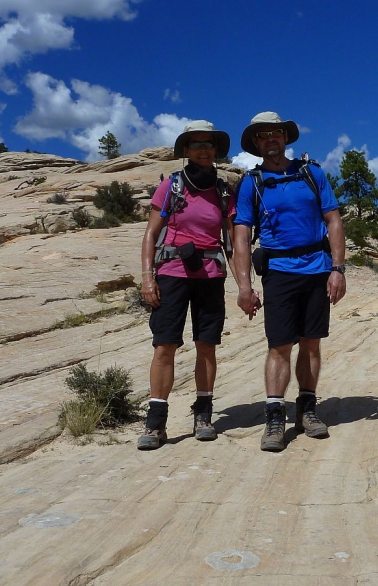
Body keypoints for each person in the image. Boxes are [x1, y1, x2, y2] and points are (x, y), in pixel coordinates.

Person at [231, 111, 346, 452]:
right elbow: (241, 236)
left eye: (276, 133)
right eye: (263, 135)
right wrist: (243, 286)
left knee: (311, 342)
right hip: (279, 272)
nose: (271, 139)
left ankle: (307, 410)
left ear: (285, 137)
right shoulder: (252, 183)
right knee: (279, 345)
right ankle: (275, 416)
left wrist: (338, 269)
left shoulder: (311, 174)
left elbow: (334, 220)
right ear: (256, 142)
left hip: (316, 268)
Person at [137, 120, 236, 450]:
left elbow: (233, 243)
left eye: (209, 144)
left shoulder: (223, 192)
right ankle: (156, 423)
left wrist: (246, 287)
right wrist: (147, 277)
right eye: (197, 144)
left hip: (210, 275)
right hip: (173, 273)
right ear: (186, 151)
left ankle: (203, 414)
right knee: (165, 345)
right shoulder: (172, 187)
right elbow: (151, 234)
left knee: (206, 345)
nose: (204, 149)